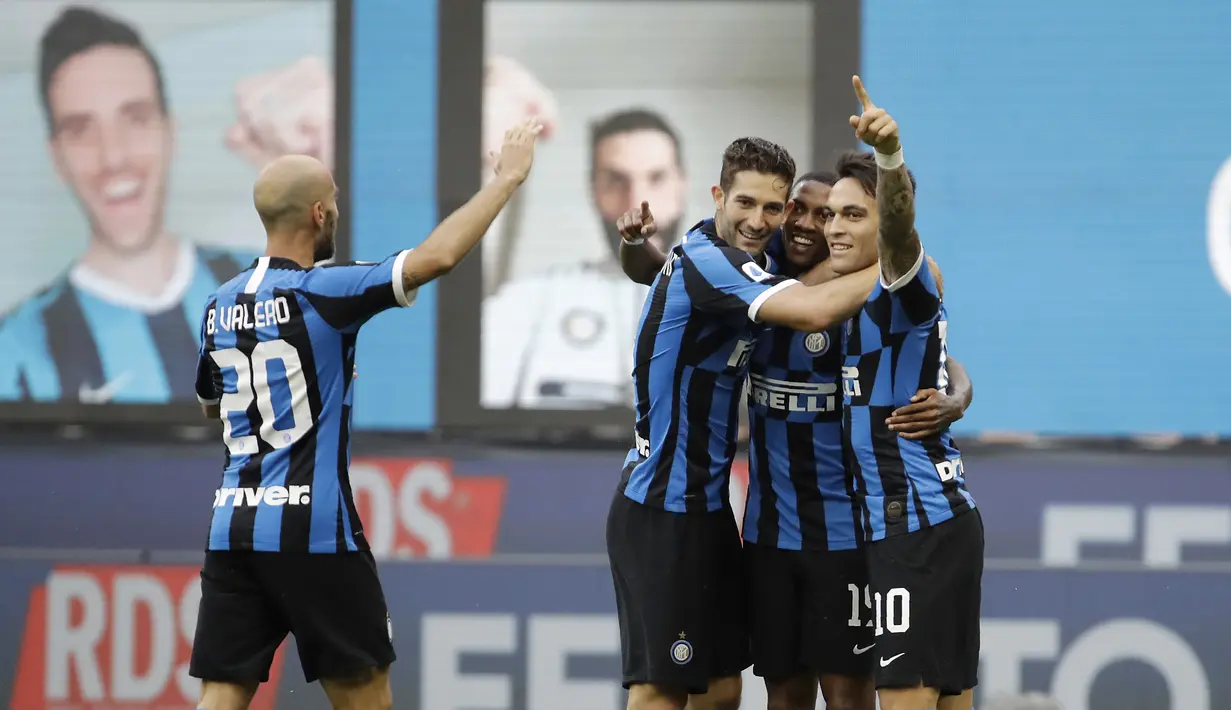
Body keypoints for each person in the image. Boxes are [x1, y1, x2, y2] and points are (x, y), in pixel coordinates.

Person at [188, 119, 542, 710]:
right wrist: (505, 179)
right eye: (335, 204)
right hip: (315, 533)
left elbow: (212, 405)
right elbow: (439, 257)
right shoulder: (325, 292)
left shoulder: (215, 304)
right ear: (320, 215)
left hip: (233, 528)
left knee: (223, 694)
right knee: (365, 694)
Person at [617, 170, 974, 710]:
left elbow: (928, 350)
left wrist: (959, 395)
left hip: (847, 532)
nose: (809, 223)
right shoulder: (758, 283)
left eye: (826, 212)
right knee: (781, 695)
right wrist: (634, 245)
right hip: (768, 533)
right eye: (802, 210)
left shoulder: (858, 300)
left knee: (847, 694)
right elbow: (660, 273)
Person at [606, 137, 885, 710]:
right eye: (746, 204)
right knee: (661, 689)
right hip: (662, 508)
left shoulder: (743, 268)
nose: (759, 220)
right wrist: (901, 264)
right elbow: (812, 309)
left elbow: (655, 271)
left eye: (771, 208)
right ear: (717, 196)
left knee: (721, 689)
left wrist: (634, 247)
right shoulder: (712, 261)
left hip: (710, 512)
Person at [0, 5, 329, 404]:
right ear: (56, 158)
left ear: (170, 133)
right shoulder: (14, 349)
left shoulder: (279, 287)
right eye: (81, 129)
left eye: (135, 118)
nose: (114, 157)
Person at [833, 76, 982, 710]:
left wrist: (890, 157)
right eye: (834, 213)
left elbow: (898, 231)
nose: (837, 228)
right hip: (931, 523)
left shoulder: (901, 284)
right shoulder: (840, 300)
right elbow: (941, 360)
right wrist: (960, 390)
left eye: (853, 214)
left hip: (913, 527)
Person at [480, 108, 686, 409]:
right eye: (616, 181)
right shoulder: (529, 301)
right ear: (594, 190)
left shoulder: (741, 298)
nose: (636, 204)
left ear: (682, 186)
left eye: (656, 178)